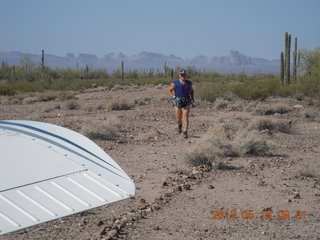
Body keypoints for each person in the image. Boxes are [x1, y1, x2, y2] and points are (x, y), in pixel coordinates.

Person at [168, 69, 194, 138]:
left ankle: (185, 131)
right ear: (179, 75)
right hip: (177, 101)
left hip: (186, 100)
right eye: (181, 74)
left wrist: (192, 97)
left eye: (184, 74)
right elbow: (169, 91)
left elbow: (191, 90)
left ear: (186, 75)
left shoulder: (189, 83)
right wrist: (174, 97)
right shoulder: (175, 83)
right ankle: (179, 125)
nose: (183, 76)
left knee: (185, 117)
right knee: (178, 118)